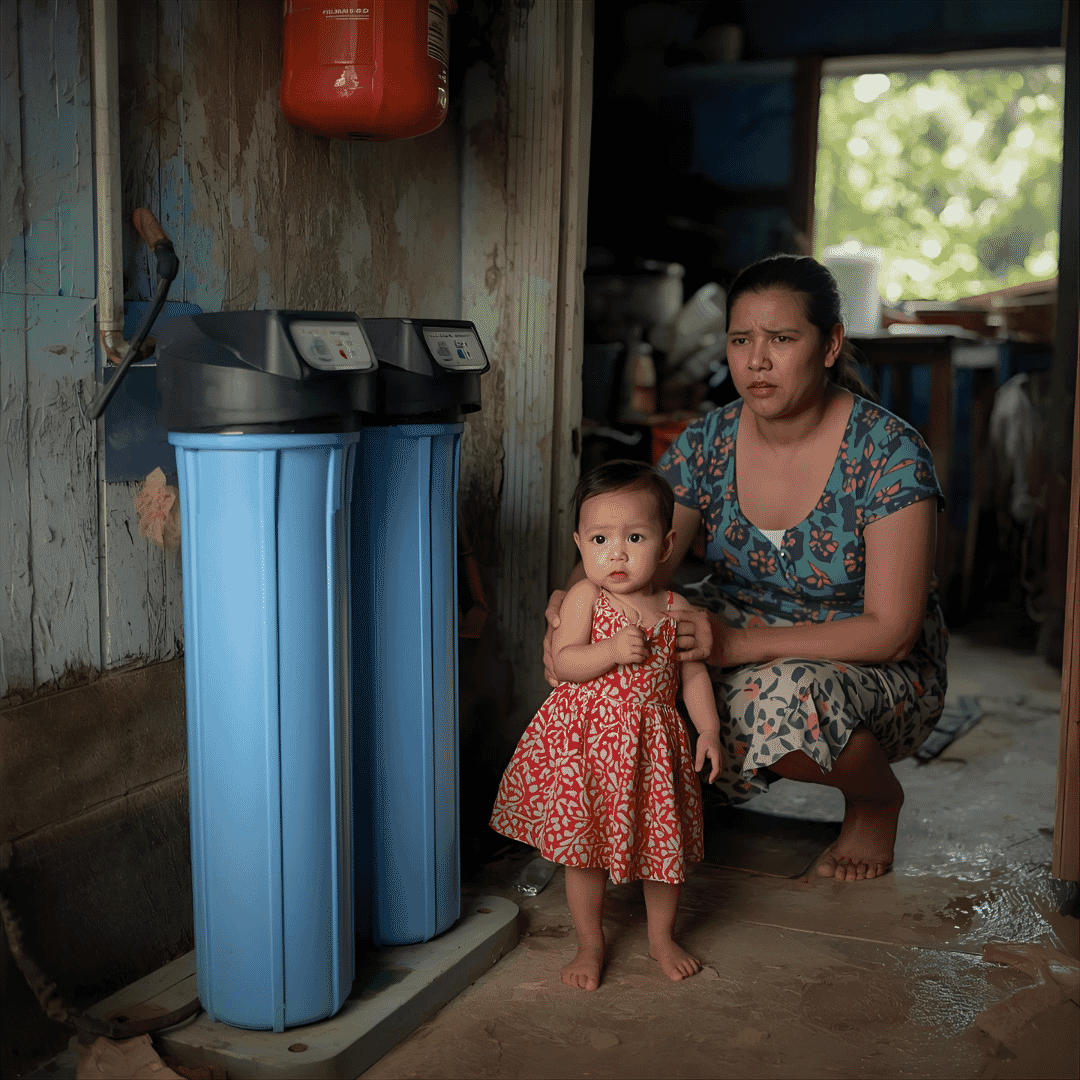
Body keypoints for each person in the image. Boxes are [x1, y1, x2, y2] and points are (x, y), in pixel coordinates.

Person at [545, 254, 948, 883]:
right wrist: (571, 611)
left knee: (780, 698)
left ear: (829, 344)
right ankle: (647, 814)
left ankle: (875, 799)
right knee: (616, 658)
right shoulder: (708, 441)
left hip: (864, 664)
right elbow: (629, 546)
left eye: (782, 339)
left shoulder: (889, 452)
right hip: (729, 630)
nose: (756, 361)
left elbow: (891, 629)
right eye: (741, 340)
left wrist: (736, 646)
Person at [490, 460, 724, 991]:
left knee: (662, 852)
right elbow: (566, 665)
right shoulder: (586, 598)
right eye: (599, 538)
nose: (616, 553)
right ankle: (590, 944)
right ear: (580, 543)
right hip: (589, 750)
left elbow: (692, 676)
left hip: (653, 751)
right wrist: (610, 650)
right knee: (585, 851)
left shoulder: (673, 606)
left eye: (635, 537)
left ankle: (663, 939)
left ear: (665, 547)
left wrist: (707, 730)